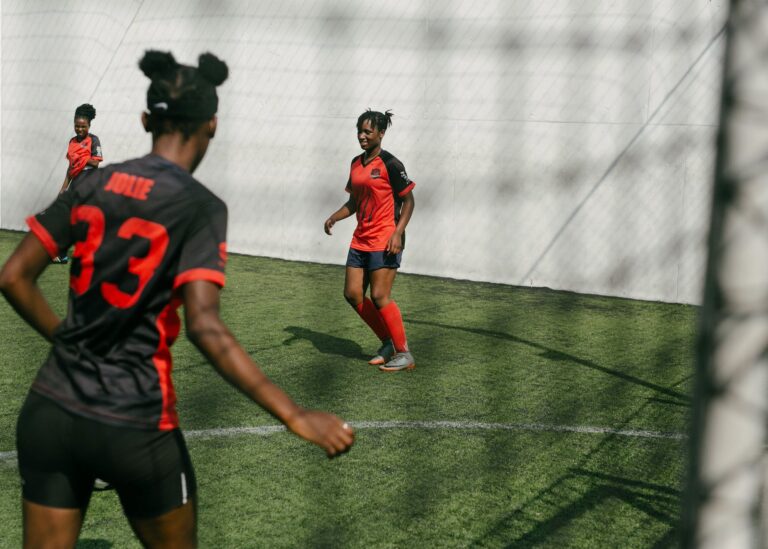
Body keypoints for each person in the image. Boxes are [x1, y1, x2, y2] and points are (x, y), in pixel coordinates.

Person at [0, 50, 354, 548]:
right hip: (135, 419)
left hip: (51, 410)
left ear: (146, 120)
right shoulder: (199, 206)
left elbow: (14, 276)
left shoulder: (94, 183)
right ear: (212, 125)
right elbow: (205, 326)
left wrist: (67, 339)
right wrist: (294, 414)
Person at [324, 109, 416, 372]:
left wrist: (397, 232)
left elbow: (408, 200)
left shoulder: (391, 164)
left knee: (379, 296)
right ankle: (387, 343)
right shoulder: (355, 163)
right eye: (359, 131)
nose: (362, 136)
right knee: (353, 294)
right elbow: (353, 202)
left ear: (381, 133)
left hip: (385, 238)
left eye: (368, 131)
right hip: (360, 239)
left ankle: (403, 353)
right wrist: (335, 217)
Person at [53, 103, 103, 264]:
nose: (80, 129)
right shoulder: (72, 142)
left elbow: (96, 163)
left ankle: (94, 256)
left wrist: (82, 157)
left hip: (89, 183)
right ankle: (62, 254)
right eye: (77, 126)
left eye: (83, 126)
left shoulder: (93, 140)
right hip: (75, 183)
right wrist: (63, 188)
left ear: (89, 125)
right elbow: (71, 167)